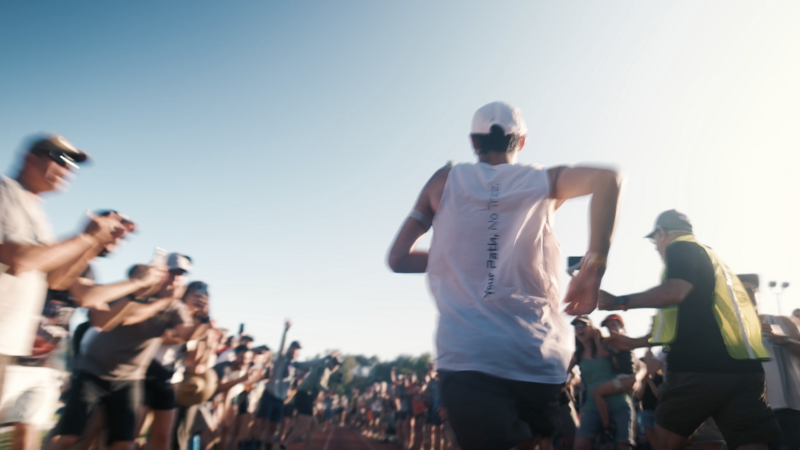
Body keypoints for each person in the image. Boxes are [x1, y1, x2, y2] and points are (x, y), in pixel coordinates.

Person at [387, 101, 622, 450]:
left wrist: (460, 255)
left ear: (473, 141)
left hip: (470, 355)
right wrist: (593, 268)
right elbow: (609, 179)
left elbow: (399, 258)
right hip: (538, 356)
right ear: (522, 142)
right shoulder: (544, 181)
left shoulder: (444, 181)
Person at [599, 210, 784, 450]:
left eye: (655, 241)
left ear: (661, 233)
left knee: (666, 443)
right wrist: (634, 343)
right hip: (745, 369)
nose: (656, 247)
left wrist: (618, 301)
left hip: (697, 368)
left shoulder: (680, 247)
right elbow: (683, 323)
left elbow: (675, 291)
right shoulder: (714, 261)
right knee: (751, 443)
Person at [0, 134, 131, 402]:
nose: (68, 169)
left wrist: (95, 242)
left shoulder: (37, 210)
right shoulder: (5, 191)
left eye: (74, 165)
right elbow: (20, 259)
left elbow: (56, 280)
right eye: (61, 159)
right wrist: (85, 238)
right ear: (30, 157)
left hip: (9, 343)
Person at [49, 253, 204, 450]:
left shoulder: (176, 307)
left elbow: (186, 335)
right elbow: (129, 318)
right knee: (71, 437)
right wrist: (163, 302)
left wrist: (202, 319)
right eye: (172, 272)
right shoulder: (135, 290)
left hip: (129, 379)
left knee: (123, 443)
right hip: (94, 371)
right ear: (161, 271)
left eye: (181, 274)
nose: (175, 278)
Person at [740, 274, 800, 450]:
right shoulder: (730, 330)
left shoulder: (780, 321)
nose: (747, 295)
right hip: (750, 411)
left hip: (789, 408)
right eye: (740, 291)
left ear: (759, 294)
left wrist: (784, 341)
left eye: (751, 290)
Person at [254, 321, 336, 450]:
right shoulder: (281, 359)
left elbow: (310, 363)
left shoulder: (295, 365)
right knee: (263, 424)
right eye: (294, 348)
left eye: (297, 350)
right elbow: (282, 346)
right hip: (269, 395)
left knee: (273, 427)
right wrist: (286, 331)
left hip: (280, 400)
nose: (295, 351)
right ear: (290, 349)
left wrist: (326, 358)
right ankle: (255, 447)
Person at [569, 316, 636, 450]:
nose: (579, 328)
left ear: (592, 328)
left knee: (624, 446)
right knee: (579, 446)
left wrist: (637, 378)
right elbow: (562, 372)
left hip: (619, 403)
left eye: (583, 324)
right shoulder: (577, 355)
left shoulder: (607, 344)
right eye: (576, 327)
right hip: (591, 406)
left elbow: (637, 365)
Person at [278, 357, 341, 450]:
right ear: (331, 363)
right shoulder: (325, 369)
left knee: (313, 425)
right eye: (335, 364)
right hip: (304, 396)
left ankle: (300, 447)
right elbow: (318, 384)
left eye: (337, 365)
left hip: (305, 397)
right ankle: (283, 445)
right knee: (304, 427)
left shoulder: (324, 369)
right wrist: (328, 391)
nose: (336, 366)